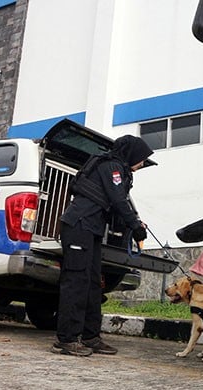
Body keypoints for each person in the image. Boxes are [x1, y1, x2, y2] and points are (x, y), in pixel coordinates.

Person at [52, 135, 154, 356]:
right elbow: (119, 200)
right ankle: (66, 339)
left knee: (93, 284)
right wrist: (135, 225)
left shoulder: (119, 170)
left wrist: (135, 224)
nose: (142, 164)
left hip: (93, 229)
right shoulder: (111, 166)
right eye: (142, 159)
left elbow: (116, 207)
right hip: (78, 225)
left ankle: (90, 337)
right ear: (132, 154)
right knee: (76, 282)